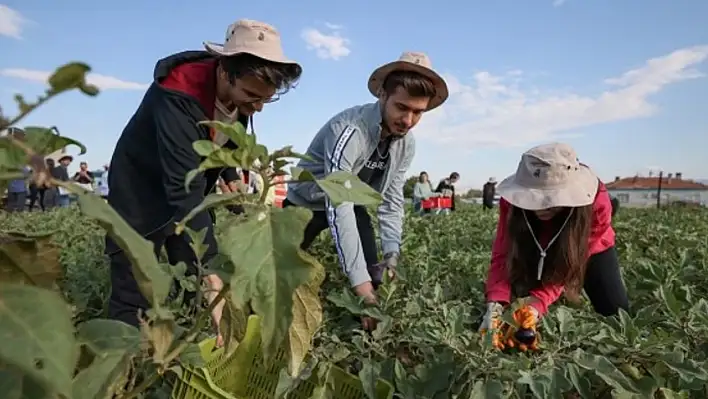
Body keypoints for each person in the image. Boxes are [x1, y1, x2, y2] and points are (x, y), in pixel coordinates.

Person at [105, 19, 302, 329]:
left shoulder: (240, 101)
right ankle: (125, 362)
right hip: (140, 191)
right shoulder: (178, 94)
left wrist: (235, 183)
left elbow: (220, 147)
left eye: (267, 98)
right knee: (136, 283)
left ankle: (190, 348)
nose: (260, 107)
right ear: (225, 70)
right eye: (253, 95)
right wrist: (211, 267)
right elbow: (182, 187)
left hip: (187, 192)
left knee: (195, 279)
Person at [284, 52, 448, 327]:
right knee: (280, 270)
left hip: (353, 205)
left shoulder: (406, 143)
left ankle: (367, 330)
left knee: (376, 277)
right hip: (305, 204)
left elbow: (393, 198)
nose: (408, 120)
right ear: (383, 95)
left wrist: (391, 254)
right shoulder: (349, 130)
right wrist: (359, 283)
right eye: (401, 107)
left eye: (417, 112)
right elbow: (340, 202)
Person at [479, 143, 630, 344]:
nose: (541, 206)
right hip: (535, 243)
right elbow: (502, 253)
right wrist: (495, 304)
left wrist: (538, 301)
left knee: (617, 316)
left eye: (550, 199)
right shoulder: (512, 204)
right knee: (518, 311)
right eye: (533, 198)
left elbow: (571, 260)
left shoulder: (596, 205)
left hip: (589, 247)